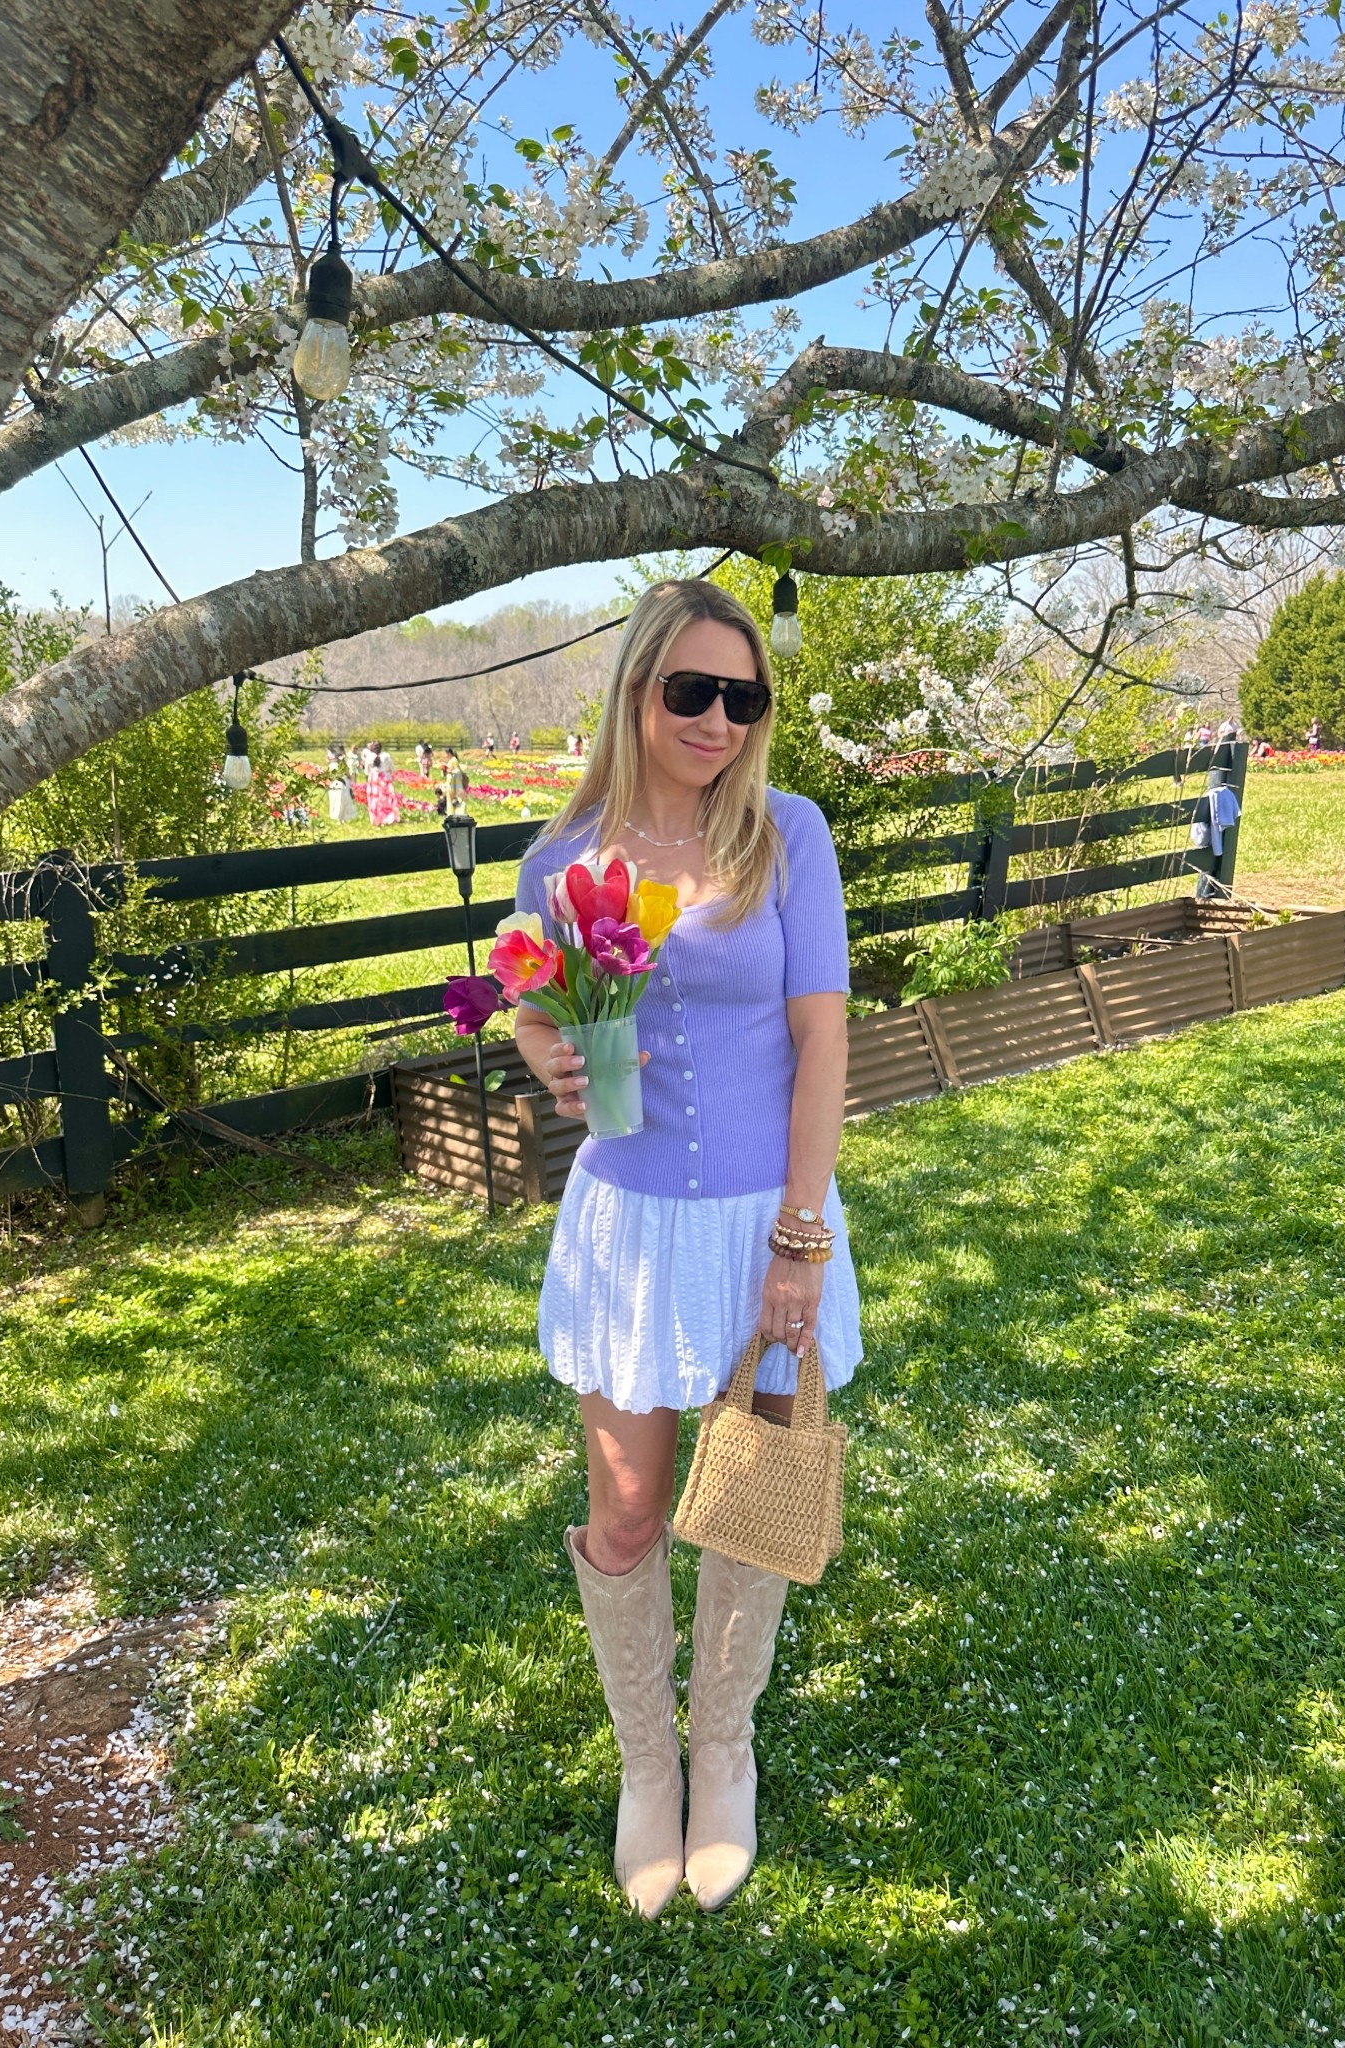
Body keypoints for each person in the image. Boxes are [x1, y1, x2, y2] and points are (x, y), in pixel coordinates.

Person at [512, 579, 863, 1921]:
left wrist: (801, 1239)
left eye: (744, 696)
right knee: (626, 1510)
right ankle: (645, 1767)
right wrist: (547, 1052)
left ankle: (722, 1750)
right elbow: (535, 1008)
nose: (720, 718)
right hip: (630, 1225)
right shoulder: (566, 860)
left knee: (751, 1492)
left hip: (768, 1218)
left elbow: (823, 1037)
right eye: (692, 690)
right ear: (638, 690)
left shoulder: (789, 835)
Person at [366, 746, 399, 827]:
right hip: (385, 778)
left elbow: (366, 771)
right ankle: (388, 817)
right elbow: (392, 768)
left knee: (374, 799)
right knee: (387, 798)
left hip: (374, 778)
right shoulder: (386, 756)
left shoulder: (369, 756)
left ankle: (375, 818)